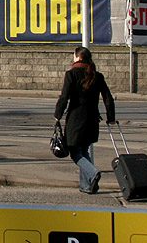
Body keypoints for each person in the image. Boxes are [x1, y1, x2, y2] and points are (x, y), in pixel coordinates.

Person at [54, 46, 116, 194]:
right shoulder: (97, 75)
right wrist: (111, 117)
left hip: (76, 120)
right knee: (84, 151)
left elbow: (64, 97)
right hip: (92, 120)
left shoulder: (71, 74)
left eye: (74, 56)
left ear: (78, 58)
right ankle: (86, 185)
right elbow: (108, 98)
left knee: (75, 153)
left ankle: (93, 173)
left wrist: (57, 114)